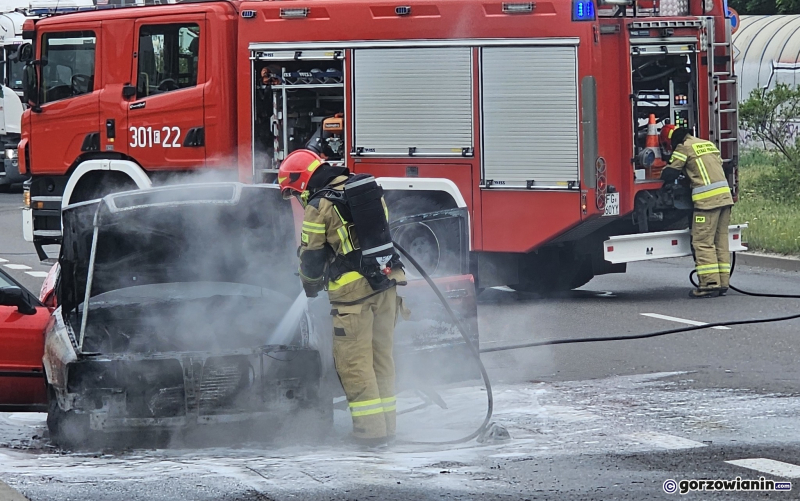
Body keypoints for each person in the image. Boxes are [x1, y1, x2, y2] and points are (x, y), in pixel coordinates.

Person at [278, 149, 408, 448]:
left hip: (353, 299)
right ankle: (387, 428)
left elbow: (311, 257)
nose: (297, 198)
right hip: (386, 286)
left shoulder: (319, 204)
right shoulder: (361, 190)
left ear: (301, 183)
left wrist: (310, 288)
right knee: (381, 360)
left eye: (294, 192)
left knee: (354, 364)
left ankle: (369, 434)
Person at [659, 126, 734, 298]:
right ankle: (722, 283)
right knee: (720, 241)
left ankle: (709, 284)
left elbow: (670, 173)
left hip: (707, 203)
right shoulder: (706, 144)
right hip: (725, 199)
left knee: (702, 242)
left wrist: (662, 169)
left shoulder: (683, 147)